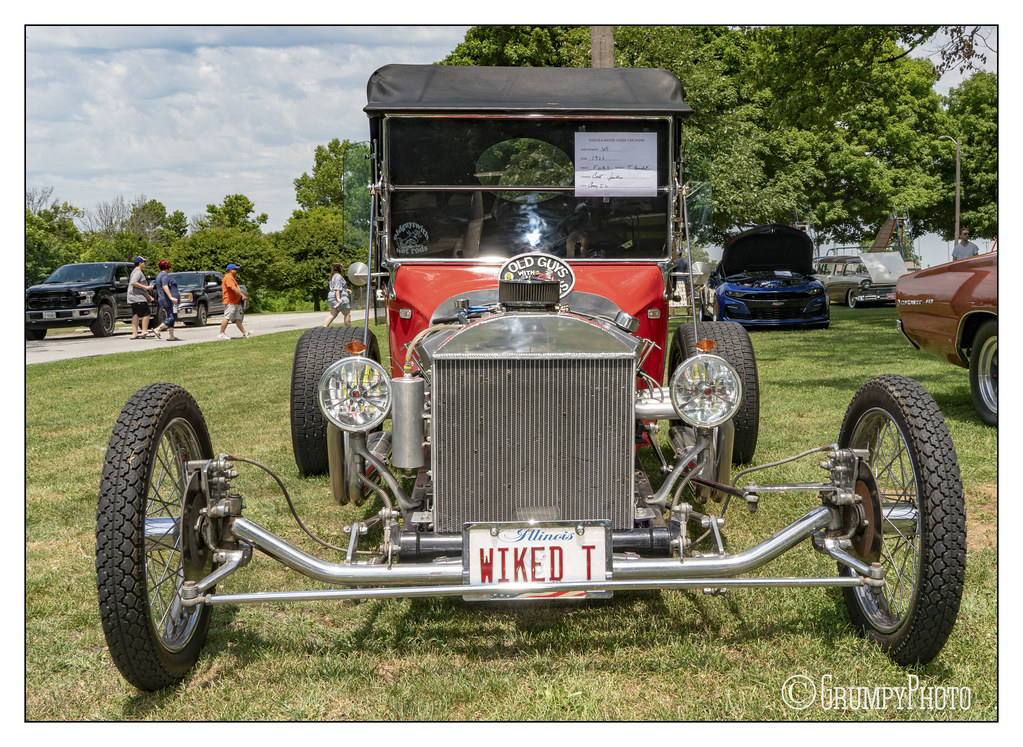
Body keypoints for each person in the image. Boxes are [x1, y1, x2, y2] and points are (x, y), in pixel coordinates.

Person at [217, 263, 251, 339]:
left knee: (237, 318)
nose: (236, 271)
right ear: (231, 270)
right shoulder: (228, 277)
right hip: (230, 301)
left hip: (234, 302)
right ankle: (221, 333)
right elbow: (233, 288)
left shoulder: (231, 277)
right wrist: (242, 295)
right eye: (235, 269)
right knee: (227, 317)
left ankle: (245, 333)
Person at [151, 260, 181, 341]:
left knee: (171, 315)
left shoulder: (159, 275)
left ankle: (171, 336)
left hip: (165, 299)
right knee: (173, 316)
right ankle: (158, 329)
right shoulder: (164, 276)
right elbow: (165, 286)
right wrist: (171, 297)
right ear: (167, 267)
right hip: (168, 300)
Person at [127, 256, 155, 339]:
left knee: (135, 314)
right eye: (144, 262)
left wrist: (147, 296)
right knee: (146, 313)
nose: (144, 264)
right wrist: (146, 287)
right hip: (137, 297)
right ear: (140, 263)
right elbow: (133, 282)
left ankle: (134, 333)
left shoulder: (134, 272)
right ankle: (144, 331)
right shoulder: (138, 272)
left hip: (133, 297)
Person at [322, 262, 351, 327]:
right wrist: (338, 299)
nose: (343, 268)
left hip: (331, 298)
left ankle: (323, 329)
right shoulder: (338, 276)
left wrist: (346, 290)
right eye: (342, 267)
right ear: (340, 267)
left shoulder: (333, 276)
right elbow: (337, 288)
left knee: (332, 315)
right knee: (347, 314)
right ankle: (349, 330)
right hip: (339, 298)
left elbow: (335, 287)